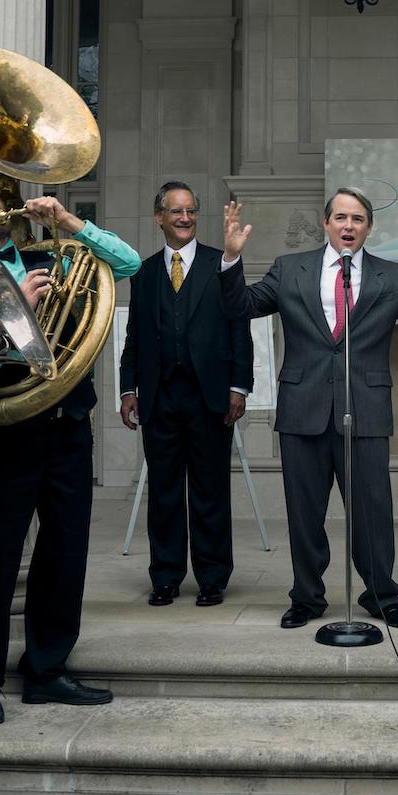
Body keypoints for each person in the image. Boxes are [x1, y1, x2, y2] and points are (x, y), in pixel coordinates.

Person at [0, 173, 141, 726]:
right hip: (8, 434)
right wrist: (10, 320)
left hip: (68, 427)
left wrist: (69, 222)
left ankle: (47, 670)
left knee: (65, 553)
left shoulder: (56, 256)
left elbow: (129, 266)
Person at [217, 189, 398, 629]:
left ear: (369, 228)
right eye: (340, 218)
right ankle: (307, 598)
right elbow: (241, 307)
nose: (348, 226)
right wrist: (232, 261)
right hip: (303, 408)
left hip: (365, 409)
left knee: (372, 510)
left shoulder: (391, 275)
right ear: (326, 222)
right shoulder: (289, 269)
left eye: (357, 219)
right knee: (304, 512)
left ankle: (381, 595)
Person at [119, 181, 253, 607]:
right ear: (159, 217)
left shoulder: (222, 263)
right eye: (176, 211)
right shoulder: (143, 272)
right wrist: (128, 389)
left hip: (211, 397)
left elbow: (240, 327)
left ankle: (212, 578)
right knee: (164, 492)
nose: (184, 218)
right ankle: (166, 576)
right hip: (159, 398)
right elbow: (134, 335)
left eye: (191, 211)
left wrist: (239, 386)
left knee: (210, 490)